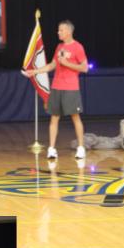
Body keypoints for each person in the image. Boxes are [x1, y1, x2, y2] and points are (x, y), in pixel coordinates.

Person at [22, 20, 88, 160]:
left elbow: (85, 68)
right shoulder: (59, 47)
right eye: (58, 30)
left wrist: (67, 64)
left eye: (61, 30)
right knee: (54, 118)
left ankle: (81, 148)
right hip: (56, 87)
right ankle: (52, 149)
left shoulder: (78, 47)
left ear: (69, 32)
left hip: (71, 88)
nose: (58, 32)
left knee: (75, 117)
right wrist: (35, 71)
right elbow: (52, 65)